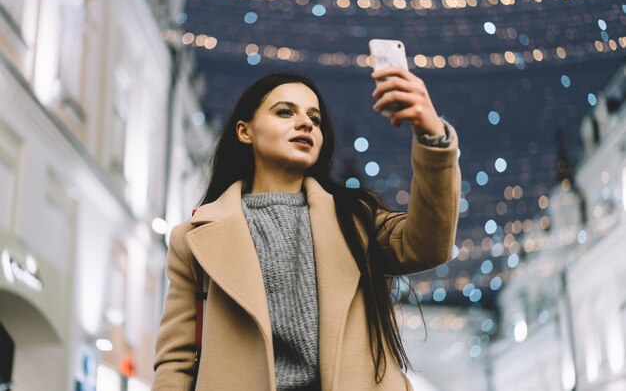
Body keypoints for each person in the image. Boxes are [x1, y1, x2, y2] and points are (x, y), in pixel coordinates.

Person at [152, 67, 461, 391]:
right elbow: (176, 361)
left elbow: (429, 245)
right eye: (285, 112)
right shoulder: (194, 238)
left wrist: (432, 136)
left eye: (314, 119)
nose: (305, 123)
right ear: (245, 131)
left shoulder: (356, 219)